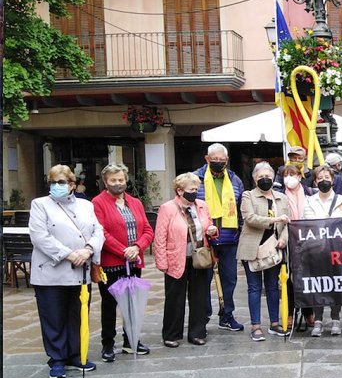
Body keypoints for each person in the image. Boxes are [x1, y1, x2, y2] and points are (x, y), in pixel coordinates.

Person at [29, 165, 105, 378]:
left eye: (61, 182)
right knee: (53, 317)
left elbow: (98, 230)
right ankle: (57, 359)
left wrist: (89, 249)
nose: (56, 186)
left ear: (72, 184)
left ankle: (76, 354)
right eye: (53, 182)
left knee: (77, 316)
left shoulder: (86, 205)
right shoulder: (40, 204)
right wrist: (70, 254)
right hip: (51, 272)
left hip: (80, 270)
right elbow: (39, 236)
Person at [91, 163, 155, 362]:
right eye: (113, 180)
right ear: (105, 182)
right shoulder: (98, 202)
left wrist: (137, 247)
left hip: (134, 261)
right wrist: (123, 251)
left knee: (132, 303)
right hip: (111, 263)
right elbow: (101, 232)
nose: (117, 183)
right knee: (109, 305)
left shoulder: (134, 202)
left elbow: (147, 229)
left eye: (121, 180)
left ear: (126, 180)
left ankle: (131, 340)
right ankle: (108, 344)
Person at [154, 173, 218, 347]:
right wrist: (162, 262)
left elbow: (209, 225)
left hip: (199, 257)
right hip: (176, 258)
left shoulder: (202, 206)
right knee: (175, 298)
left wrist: (212, 230)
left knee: (199, 297)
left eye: (196, 189)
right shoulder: (167, 208)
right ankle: (172, 334)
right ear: (180, 190)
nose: (195, 192)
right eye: (191, 189)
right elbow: (160, 236)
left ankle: (197, 332)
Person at [236, 162, 291, 341]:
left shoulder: (281, 197)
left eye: (268, 176)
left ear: (273, 177)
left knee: (273, 287)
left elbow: (287, 223)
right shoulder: (248, 196)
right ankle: (256, 326)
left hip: (273, 248)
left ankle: (275, 323)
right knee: (254, 288)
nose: (265, 179)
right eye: (260, 177)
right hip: (252, 248)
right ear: (254, 179)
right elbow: (250, 218)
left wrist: (284, 238)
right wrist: (275, 219)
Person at [194, 143, 245, 332]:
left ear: (226, 161)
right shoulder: (195, 178)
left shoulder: (234, 180)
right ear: (207, 159)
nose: (217, 163)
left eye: (221, 160)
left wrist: (239, 231)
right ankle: (203, 318)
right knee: (203, 281)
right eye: (213, 160)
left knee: (230, 280)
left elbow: (240, 209)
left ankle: (227, 314)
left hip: (229, 239)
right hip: (205, 240)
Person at [303, 165, 342, 337]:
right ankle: (318, 320)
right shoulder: (309, 201)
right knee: (318, 283)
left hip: (336, 249)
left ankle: (335, 319)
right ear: (315, 181)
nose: (324, 180)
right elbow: (308, 222)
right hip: (316, 249)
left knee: (335, 284)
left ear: (333, 180)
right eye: (320, 178)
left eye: (327, 177)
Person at [279, 163, 316, 328]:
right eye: (286, 175)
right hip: (287, 240)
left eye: (292, 174)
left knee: (306, 277)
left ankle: (309, 312)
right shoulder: (279, 195)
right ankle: (290, 313)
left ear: (300, 176)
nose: (289, 178)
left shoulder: (309, 192)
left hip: (307, 240)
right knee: (288, 278)